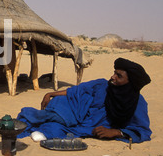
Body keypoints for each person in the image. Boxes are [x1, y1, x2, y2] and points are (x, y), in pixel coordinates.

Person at [17, 58, 152, 144]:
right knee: (56, 109)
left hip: (88, 127)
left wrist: (116, 132)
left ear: (130, 82)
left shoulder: (137, 103)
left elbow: (142, 130)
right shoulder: (102, 85)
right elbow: (77, 91)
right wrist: (50, 93)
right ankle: (21, 124)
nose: (113, 76)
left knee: (54, 129)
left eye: (119, 76)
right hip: (76, 114)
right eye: (114, 72)